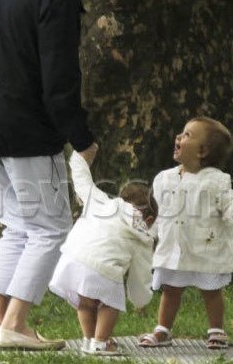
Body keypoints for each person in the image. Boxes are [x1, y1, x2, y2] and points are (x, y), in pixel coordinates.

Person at [0, 0, 105, 351]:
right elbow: (59, 79)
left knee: (17, 227)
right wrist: (82, 140)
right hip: (26, 130)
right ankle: (17, 325)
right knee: (49, 229)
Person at [139, 116, 233, 350]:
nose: (179, 137)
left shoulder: (216, 181)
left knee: (211, 290)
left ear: (202, 151)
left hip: (205, 247)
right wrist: (147, 234)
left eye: (187, 135)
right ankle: (163, 330)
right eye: (181, 133)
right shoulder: (164, 179)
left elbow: (232, 202)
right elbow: (162, 213)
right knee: (171, 290)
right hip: (174, 246)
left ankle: (216, 330)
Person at [49, 150, 158, 356]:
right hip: (103, 268)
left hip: (72, 259)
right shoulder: (142, 236)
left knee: (85, 303)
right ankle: (101, 343)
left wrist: (79, 157)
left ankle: (88, 339)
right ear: (150, 220)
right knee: (110, 304)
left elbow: (83, 182)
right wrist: (140, 299)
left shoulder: (100, 201)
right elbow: (141, 275)